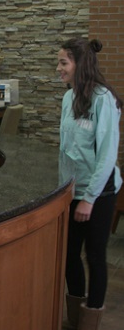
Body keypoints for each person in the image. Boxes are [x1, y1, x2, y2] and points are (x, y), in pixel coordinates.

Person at [57, 38, 122, 330]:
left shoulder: (102, 99)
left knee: (94, 256)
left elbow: (107, 155)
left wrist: (88, 198)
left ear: (80, 64)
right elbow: (65, 150)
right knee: (70, 255)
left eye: (63, 62)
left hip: (100, 192)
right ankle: (75, 316)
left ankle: (91, 319)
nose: (58, 68)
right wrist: (65, 192)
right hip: (73, 191)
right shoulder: (68, 98)